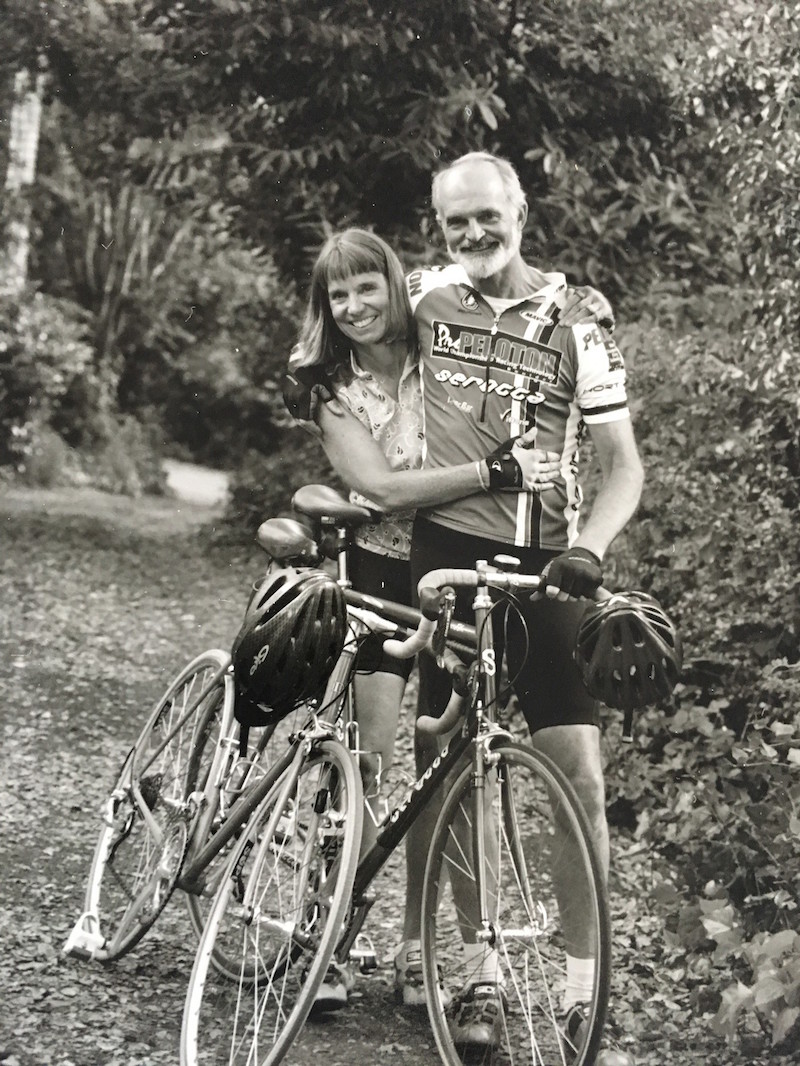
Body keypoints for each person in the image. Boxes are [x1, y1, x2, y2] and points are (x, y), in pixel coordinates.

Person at [283, 226, 615, 1015]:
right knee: (366, 760)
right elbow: (385, 490)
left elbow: (519, 306)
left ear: (398, 285)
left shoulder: (442, 338)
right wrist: (492, 470)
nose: (357, 306)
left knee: (443, 758)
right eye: (339, 295)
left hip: (461, 561)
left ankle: (414, 945)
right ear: (325, 309)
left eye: (369, 287)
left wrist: (584, 305)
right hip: (381, 564)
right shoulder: (331, 387)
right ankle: (326, 933)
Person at [402, 152, 643, 1064]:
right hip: (447, 559)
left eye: (486, 217)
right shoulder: (422, 300)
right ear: (439, 225)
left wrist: (591, 549)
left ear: (521, 210)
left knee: (578, 772)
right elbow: (341, 341)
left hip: (548, 565)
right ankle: (477, 974)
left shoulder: (578, 316)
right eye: (455, 220)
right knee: (449, 759)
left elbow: (624, 465)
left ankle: (585, 994)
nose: (472, 235)